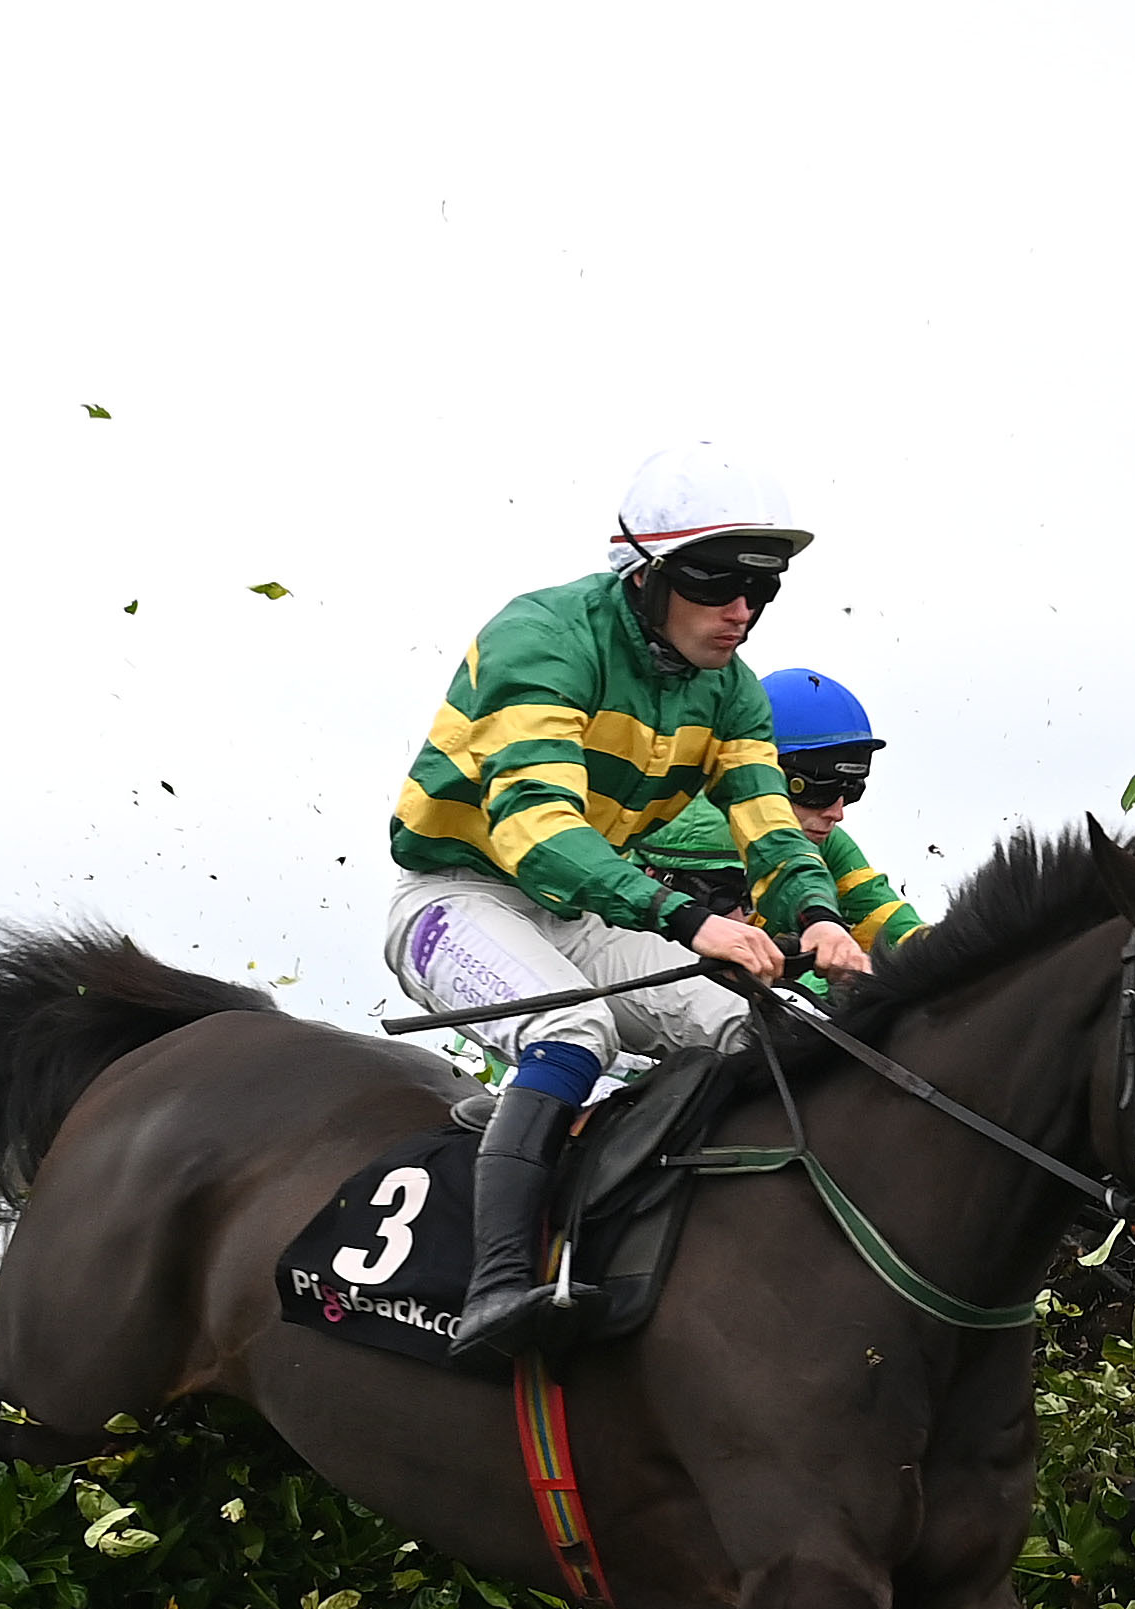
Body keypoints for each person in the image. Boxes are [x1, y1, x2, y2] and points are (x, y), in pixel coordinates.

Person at [383, 442, 873, 1361]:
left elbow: (771, 827)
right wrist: (693, 919)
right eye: (717, 582)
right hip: (457, 896)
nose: (740, 612)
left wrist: (819, 918)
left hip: (583, 916)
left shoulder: (730, 692)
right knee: (575, 1037)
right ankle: (497, 1290)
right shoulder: (540, 635)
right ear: (644, 574)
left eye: (762, 590)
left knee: (770, 1033)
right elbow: (537, 830)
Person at [637, 664, 926, 965]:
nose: (837, 813)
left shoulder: (824, 842)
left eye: (851, 791)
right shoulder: (697, 831)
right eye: (821, 791)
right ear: (764, 775)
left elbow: (885, 918)